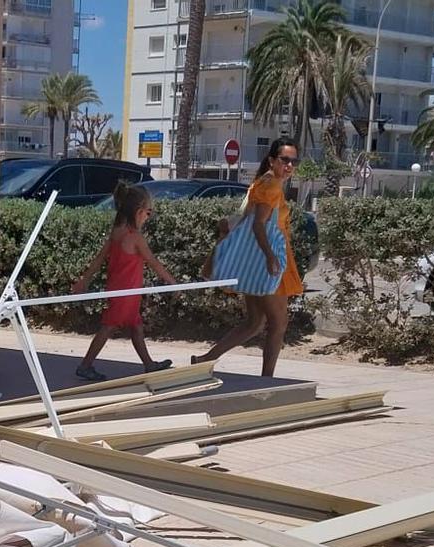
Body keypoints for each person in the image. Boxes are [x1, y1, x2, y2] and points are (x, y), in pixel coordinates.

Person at [195, 138, 303, 379]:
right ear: (273, 160)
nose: (290, 165)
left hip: (255, 260)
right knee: (278, 324)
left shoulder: (263, 182)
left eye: (294, 161)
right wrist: (270, 257)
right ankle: (267, 380)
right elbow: (258, 225)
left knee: (254, 322)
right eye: (285, 160)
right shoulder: (271, 185)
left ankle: (204, 360)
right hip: (267, 259)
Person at [72, 182, 180, 381]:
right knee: (109, 326)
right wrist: (173, 283)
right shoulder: (134, 237)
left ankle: (149, 365)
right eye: (149, 212)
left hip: (122, 290)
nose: (149, 217)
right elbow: (154, 263)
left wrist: (84, 280)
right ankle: (85, 364)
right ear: (138, 212)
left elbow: (99, 259)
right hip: (125, 292)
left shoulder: (117, 233)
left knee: (135, 326)